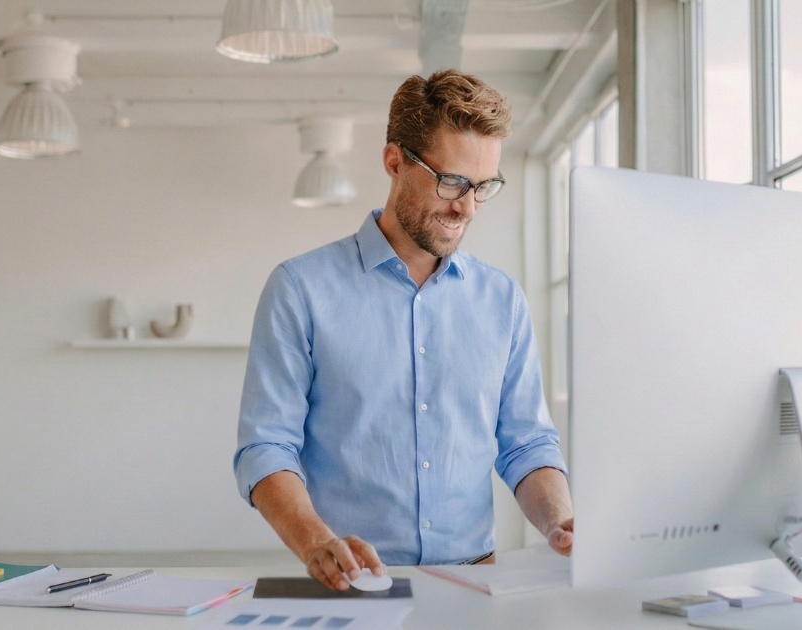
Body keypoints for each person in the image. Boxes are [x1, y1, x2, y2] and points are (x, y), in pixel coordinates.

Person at [233, 69, 573, 591]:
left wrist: (559, 522)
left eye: (484, 186)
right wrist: (316, 541)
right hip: (353, 583)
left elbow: (525, 443)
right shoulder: (300, 289)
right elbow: (266, 447)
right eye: (453, 181)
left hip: (476, 585)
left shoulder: (502, 299)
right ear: (395, 161)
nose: (467, 206)